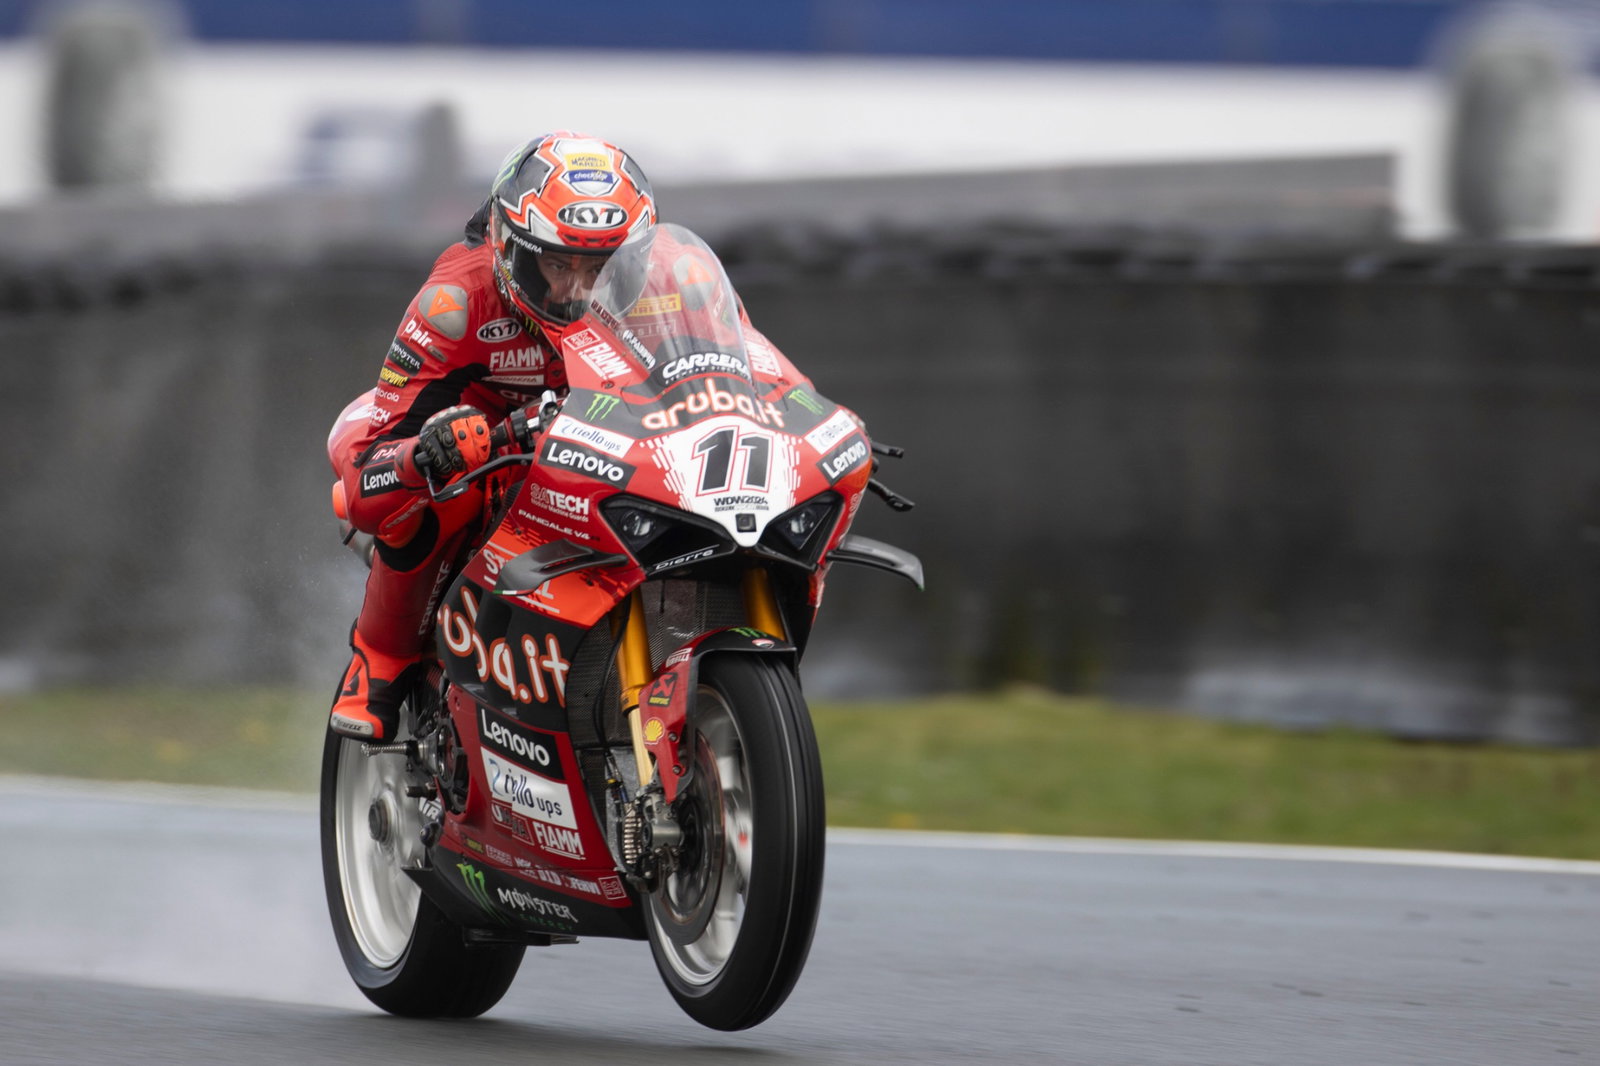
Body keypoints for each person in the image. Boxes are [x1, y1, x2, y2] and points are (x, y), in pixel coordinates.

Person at [326, 132, 656, 740]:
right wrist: (433, 451)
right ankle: (380, 659)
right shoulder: (456, 302)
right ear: (512, 247)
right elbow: (368, 471)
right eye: (557, 264)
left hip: (597, 453)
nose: (576, 290)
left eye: (599, 267)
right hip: (478, 450)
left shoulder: (656, 293)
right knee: (436, 492)